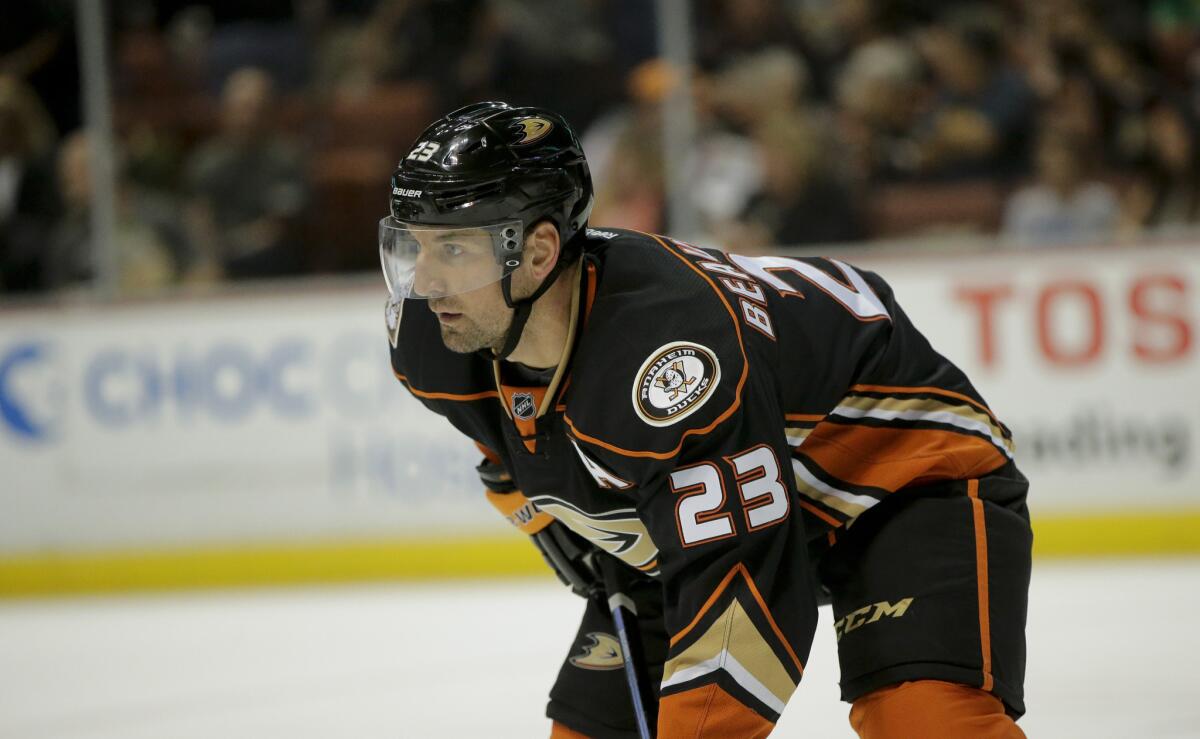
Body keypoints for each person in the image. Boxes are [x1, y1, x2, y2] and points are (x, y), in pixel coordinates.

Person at [382, 101, 1031, 738]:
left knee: (922, 721)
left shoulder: (668, 361)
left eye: (455, 251)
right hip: (725, 501)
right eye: (418, 246)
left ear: (540, 250)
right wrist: (548, 509)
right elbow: (502, 444)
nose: (428, 281)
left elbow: (740, 606)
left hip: (902, 483)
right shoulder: (435, 337)